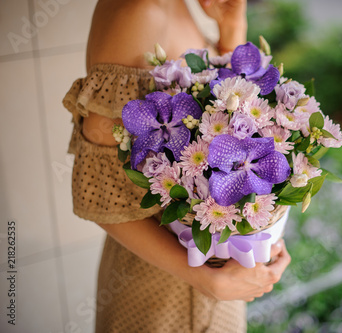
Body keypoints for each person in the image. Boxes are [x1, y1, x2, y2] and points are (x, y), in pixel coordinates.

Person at [62, 0, 291, 331]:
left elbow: (224, 113)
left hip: (213, 276)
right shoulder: (139, 12)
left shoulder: (178, 6)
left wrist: (230, 30)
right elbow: (97, 192)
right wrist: (202, 278)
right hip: (164, 288)